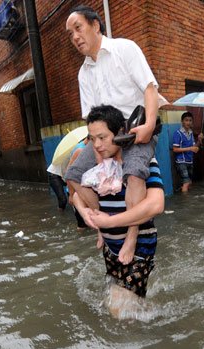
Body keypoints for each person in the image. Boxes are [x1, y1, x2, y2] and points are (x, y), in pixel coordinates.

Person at [65, 5, 161, 265]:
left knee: (134, 174)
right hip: (103, 135)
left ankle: (131, 234)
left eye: (78, 28)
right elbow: (90, 119)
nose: (74, 36)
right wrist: (95, 151)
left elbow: (149, 89)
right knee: (72, 175)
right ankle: (102, 227)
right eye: (70, 33)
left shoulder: (125, 49)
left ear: (96, 25)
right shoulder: (83, 73)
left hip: (134, 130)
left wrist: (149, 126)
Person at [72, 105, 164, 318]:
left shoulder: (142, 163)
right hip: (111, 249)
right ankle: (146, 314)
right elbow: (77, 196)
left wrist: (109, 222)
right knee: (123, 308)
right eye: (92, 138)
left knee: (118, 308)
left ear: (119, 133)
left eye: (102, 138)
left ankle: (162, 318)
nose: (96, 145)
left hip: (140, 248)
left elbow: (156, 205)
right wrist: (87, 216)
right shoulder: (98, 168)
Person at [172, 112, 200, 192]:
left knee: (189, 182)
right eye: (186, 120)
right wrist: (190, 148)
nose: (188, 122)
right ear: (182, 121)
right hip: (181, 161)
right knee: (186, 182)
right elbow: (175, 149)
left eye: (190, 120)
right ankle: (186, 202)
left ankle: (188, 199)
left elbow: (194, 147)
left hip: (189, 161)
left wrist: (199, 140)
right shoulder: (177, 133)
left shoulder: (191, 133)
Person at [65, 137, 89, 229]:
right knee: (82, 224)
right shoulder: (80, 150)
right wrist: (71, 194)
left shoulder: (85, 148)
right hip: (75, 190)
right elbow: (69, 172)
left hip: (82, 188)